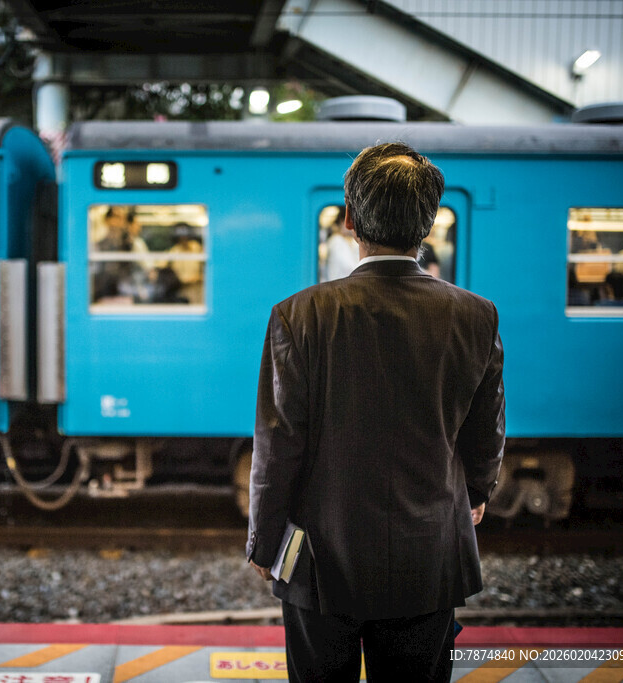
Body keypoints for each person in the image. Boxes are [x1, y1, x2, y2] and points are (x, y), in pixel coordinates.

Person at [247, 142, 505, 682]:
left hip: (320, 560)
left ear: (348, 219)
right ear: (429, 225)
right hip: (429, 558)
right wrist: (475, 494)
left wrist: (264, 542)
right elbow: (485, 435)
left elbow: (279, 446)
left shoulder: (298, 316)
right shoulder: (476, 317)